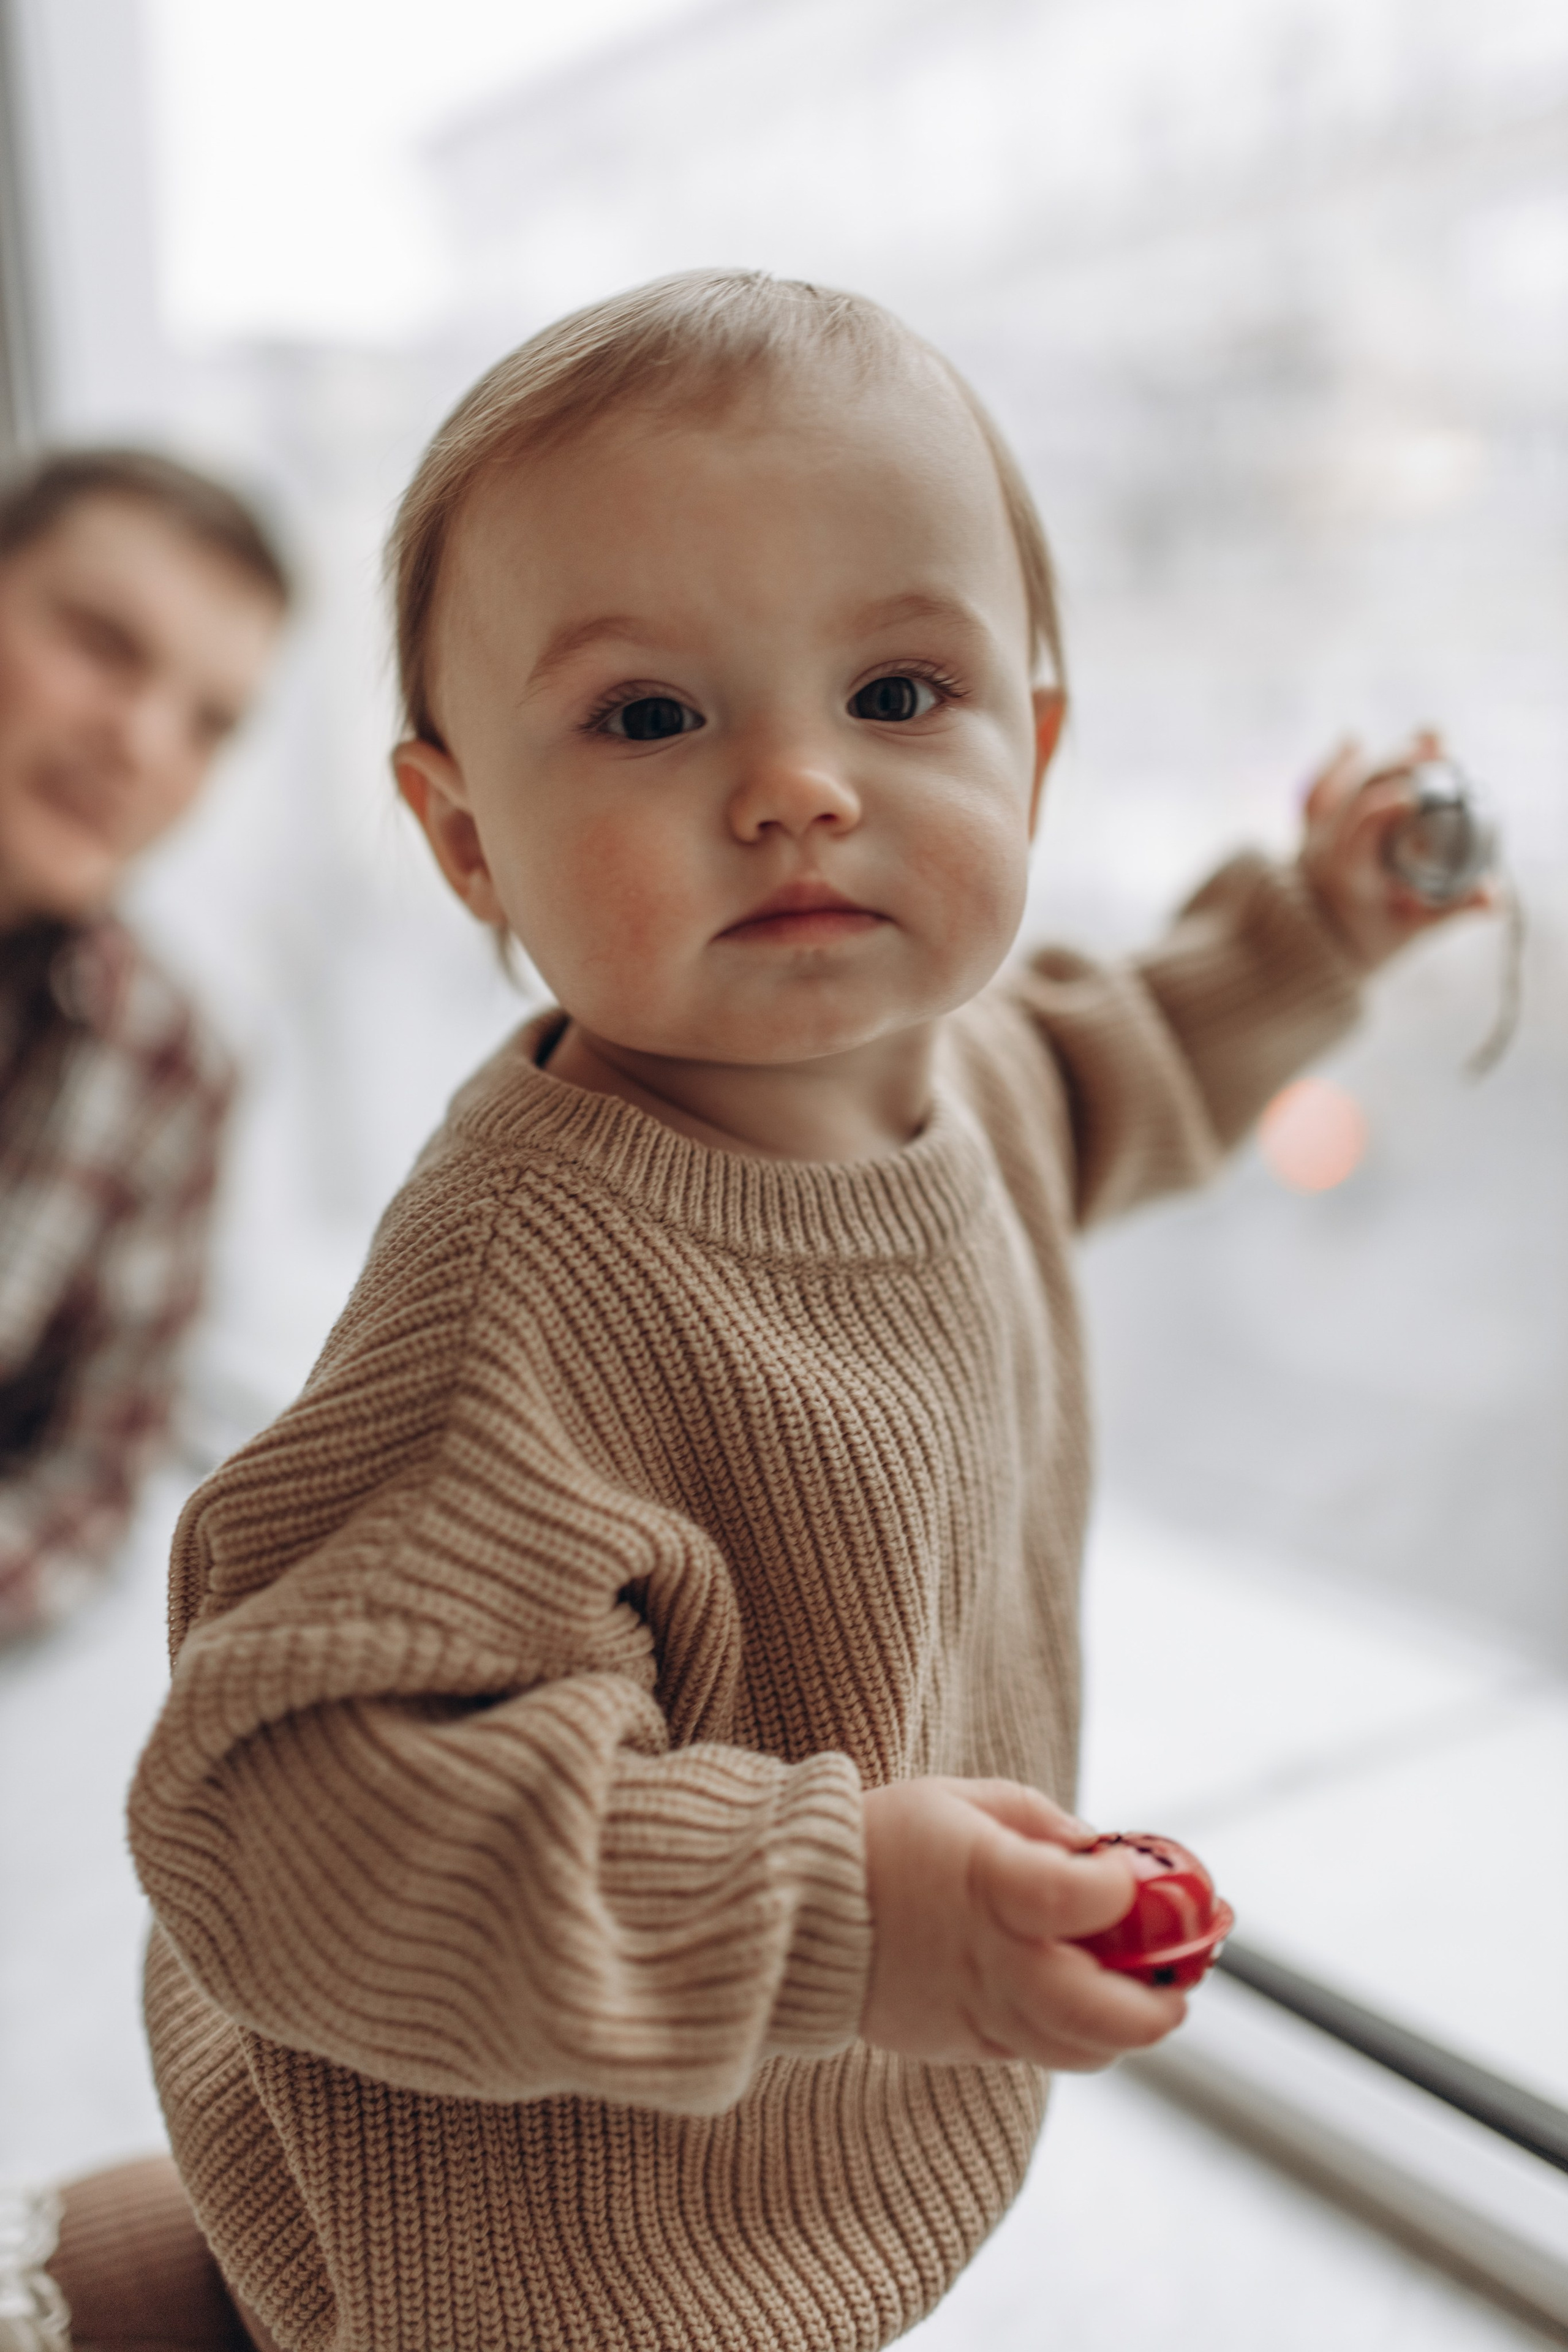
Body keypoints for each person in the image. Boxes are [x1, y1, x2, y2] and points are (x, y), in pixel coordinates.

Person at [23, 273, 1485, 2352]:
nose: (801, 785)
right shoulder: (532, 1283)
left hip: (787, 2121)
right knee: (315, 2275)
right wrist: (850, 1912)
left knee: (252, 2266)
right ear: (464, 844)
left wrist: (1321, 933)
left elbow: (1126, 1060)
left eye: (900, 695)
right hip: (562, 2250)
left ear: (1037, 750)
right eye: (649, 717)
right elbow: (285, 1820)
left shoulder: (961, 1076)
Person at [0, 448, 289, 1645]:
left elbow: (92, 1482)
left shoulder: (171, 1065)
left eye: (209, 723)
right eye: (103, 646)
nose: (141, 742)